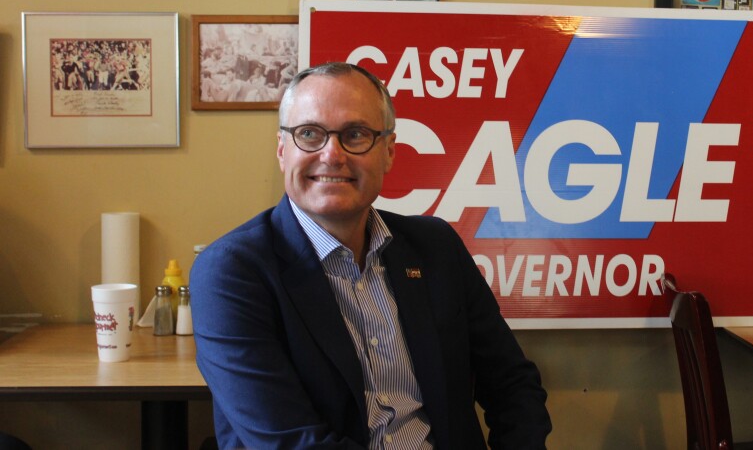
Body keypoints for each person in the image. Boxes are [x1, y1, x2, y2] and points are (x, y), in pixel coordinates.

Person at [191, 62, 551, 449]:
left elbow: (514, 386)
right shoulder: (230, 272)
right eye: (309, 133)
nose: (332, 154)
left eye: (356, 134)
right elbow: (291, 443)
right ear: (283, 150)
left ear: (389, 152)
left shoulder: (436, 246)